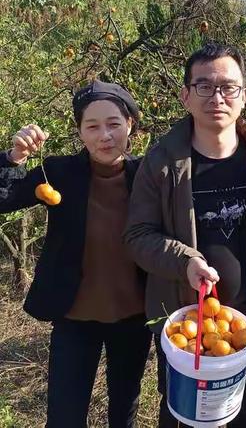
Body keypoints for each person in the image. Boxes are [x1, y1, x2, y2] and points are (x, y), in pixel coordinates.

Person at [124, 43, 246, 427]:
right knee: (183, 412)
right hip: (186, 323)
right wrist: (186, 262)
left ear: (244, 95)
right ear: (185, 95)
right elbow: (137, 235)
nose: (217, 97)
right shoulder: (162, 163)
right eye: (204, 86)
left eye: (229, 87)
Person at [0, 81, 152, 428]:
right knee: (64, 416)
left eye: (114, 124)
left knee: (124, 409)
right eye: (92, 126)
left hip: (133, 317)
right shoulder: (58, 172)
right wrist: (14, 157)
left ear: (130, 124)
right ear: (80, 131)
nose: (104, 136)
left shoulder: (148, 175)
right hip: (73, 317)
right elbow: (4, 198)